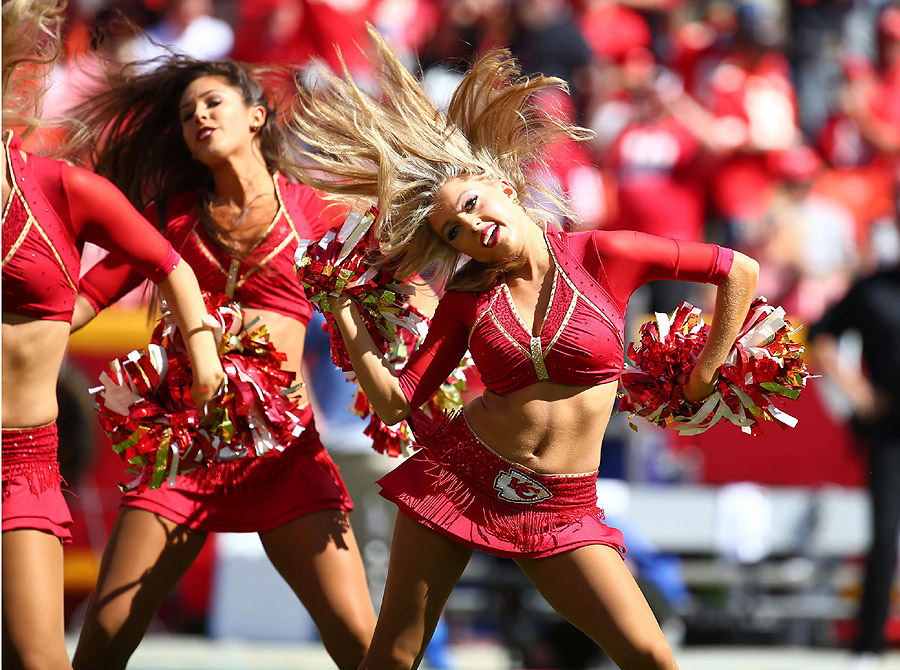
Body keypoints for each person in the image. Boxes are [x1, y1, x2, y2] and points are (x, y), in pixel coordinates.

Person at [289, 28, 759, 670]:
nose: (475, 232)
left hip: (562, 504)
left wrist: (706, 372)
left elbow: (738, 271)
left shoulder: (603, 255)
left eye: (474, 207)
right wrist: (343, 310)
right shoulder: (466, 294)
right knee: (394, 656)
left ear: (503, 186)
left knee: (649, 654)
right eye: (455, 232)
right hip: (459, 478)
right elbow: (398, 402)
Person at [67, 58, 376, 670]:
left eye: (212, 103)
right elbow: (87, 298)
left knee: (364, 646)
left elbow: (385, 286)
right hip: (182, 449)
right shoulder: (171, 215)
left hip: (283, 453)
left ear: (257, 116)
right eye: (186, 115)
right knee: (102, 642)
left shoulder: (312, 208)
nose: (199, 117)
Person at [1, 2, 224, 669]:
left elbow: (167, 262)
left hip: (20, 466)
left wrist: (206, 358)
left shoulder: (58, 186)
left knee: (36, 660)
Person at [809, 257, 900, 670]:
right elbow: (821, 334)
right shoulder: (873, 287)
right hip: (888, 429)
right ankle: (868, 646)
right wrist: (857, 390)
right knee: (883, 536)